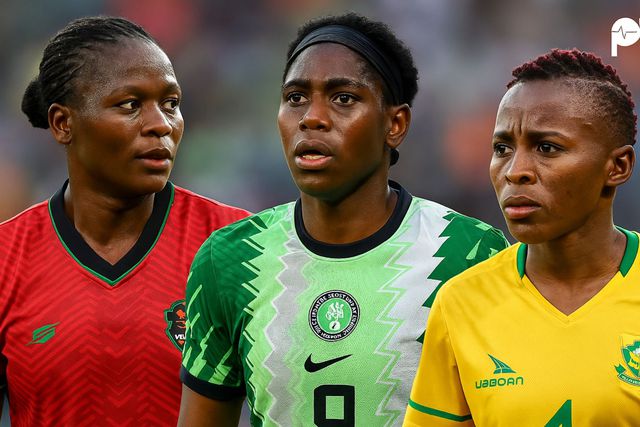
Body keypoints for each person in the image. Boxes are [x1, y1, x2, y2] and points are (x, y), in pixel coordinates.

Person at [178, 12, 509, 427]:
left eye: (343, 98)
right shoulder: (230, 260)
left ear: (395, 124)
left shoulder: (470, 252)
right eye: (295, 97)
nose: (311, 117)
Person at [0, 16, 249, 426]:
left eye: (171, 104)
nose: (161, 125)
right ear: (63, 123)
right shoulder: (8, 258)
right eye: (130, 105)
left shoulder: (237, 245)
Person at [403, 48, 639, 426]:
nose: (515, 171)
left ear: (618, 166)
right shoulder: (461, 303)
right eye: (502, 149)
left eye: (547, 148)